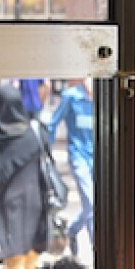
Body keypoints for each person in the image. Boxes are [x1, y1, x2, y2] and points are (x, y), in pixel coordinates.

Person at [0, 86, 52, 269]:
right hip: (36, 201)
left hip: (9, 204)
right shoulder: (36, 133)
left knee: (13, 260)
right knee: (32, 257)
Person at [45, 78, 94, 257]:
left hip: (98, 156)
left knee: (93, 204)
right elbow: (53, 122)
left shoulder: (104, 97)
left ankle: (72, 231)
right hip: (78, 155)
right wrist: (46, 151)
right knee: (90, 201)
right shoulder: (71, 97)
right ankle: (96, 249)